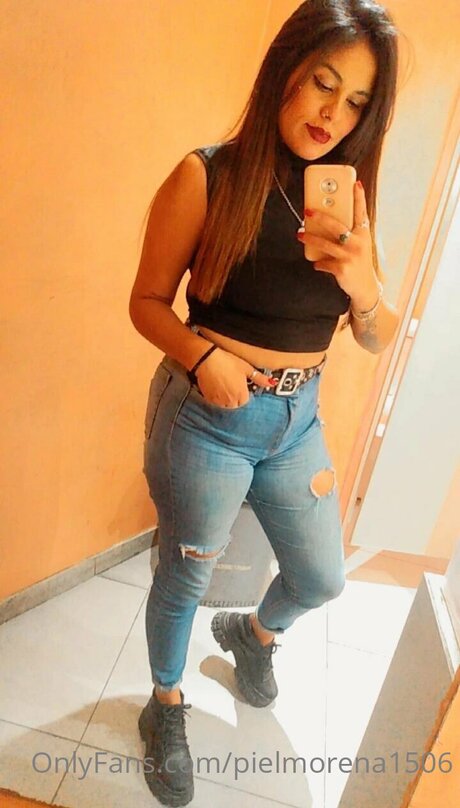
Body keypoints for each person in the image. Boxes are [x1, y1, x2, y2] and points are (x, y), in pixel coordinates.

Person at [129, 0, 400, 804]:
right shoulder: (205, 175)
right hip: (206, 417)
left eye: (357, 102)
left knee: (321, 577)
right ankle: (164, 704)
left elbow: (376, 337)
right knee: (186, 576)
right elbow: (145, 302)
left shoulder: (347, 200)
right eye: (324, 83)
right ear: (285, 68)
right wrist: (202, 355)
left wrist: (363, 283)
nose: (333, 113)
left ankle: (253, 635)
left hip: (296, 420)